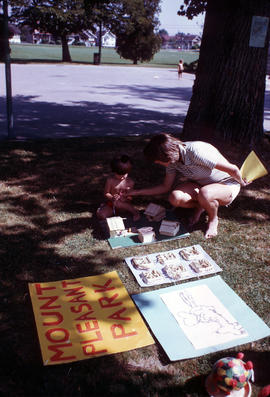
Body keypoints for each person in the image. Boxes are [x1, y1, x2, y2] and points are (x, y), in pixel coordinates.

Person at [128, 133, 249, 239]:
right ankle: (203, 205)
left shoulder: (196, 151)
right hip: (202, 185)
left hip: (226, 182)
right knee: (175, 198)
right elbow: (165, 187)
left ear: (166, 156)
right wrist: (136, 192)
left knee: (205, 193)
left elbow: (233, 169)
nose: (157, 163)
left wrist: (241, 182)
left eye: (158, 161)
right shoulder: (173, 160)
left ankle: (213, 219)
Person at [97, 154, 140, 221]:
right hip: (112, 204)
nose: (122, 177)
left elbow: (130, 196)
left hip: (124, 205)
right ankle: (111, 216)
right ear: (114, 171)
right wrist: (112, 198)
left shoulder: (130, 182)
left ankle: (135, 213)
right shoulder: (110, 181)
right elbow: (106, 193)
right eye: (119, 175)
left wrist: (127, 198)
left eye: (125, 174)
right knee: (101, 215)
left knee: (122, 204)